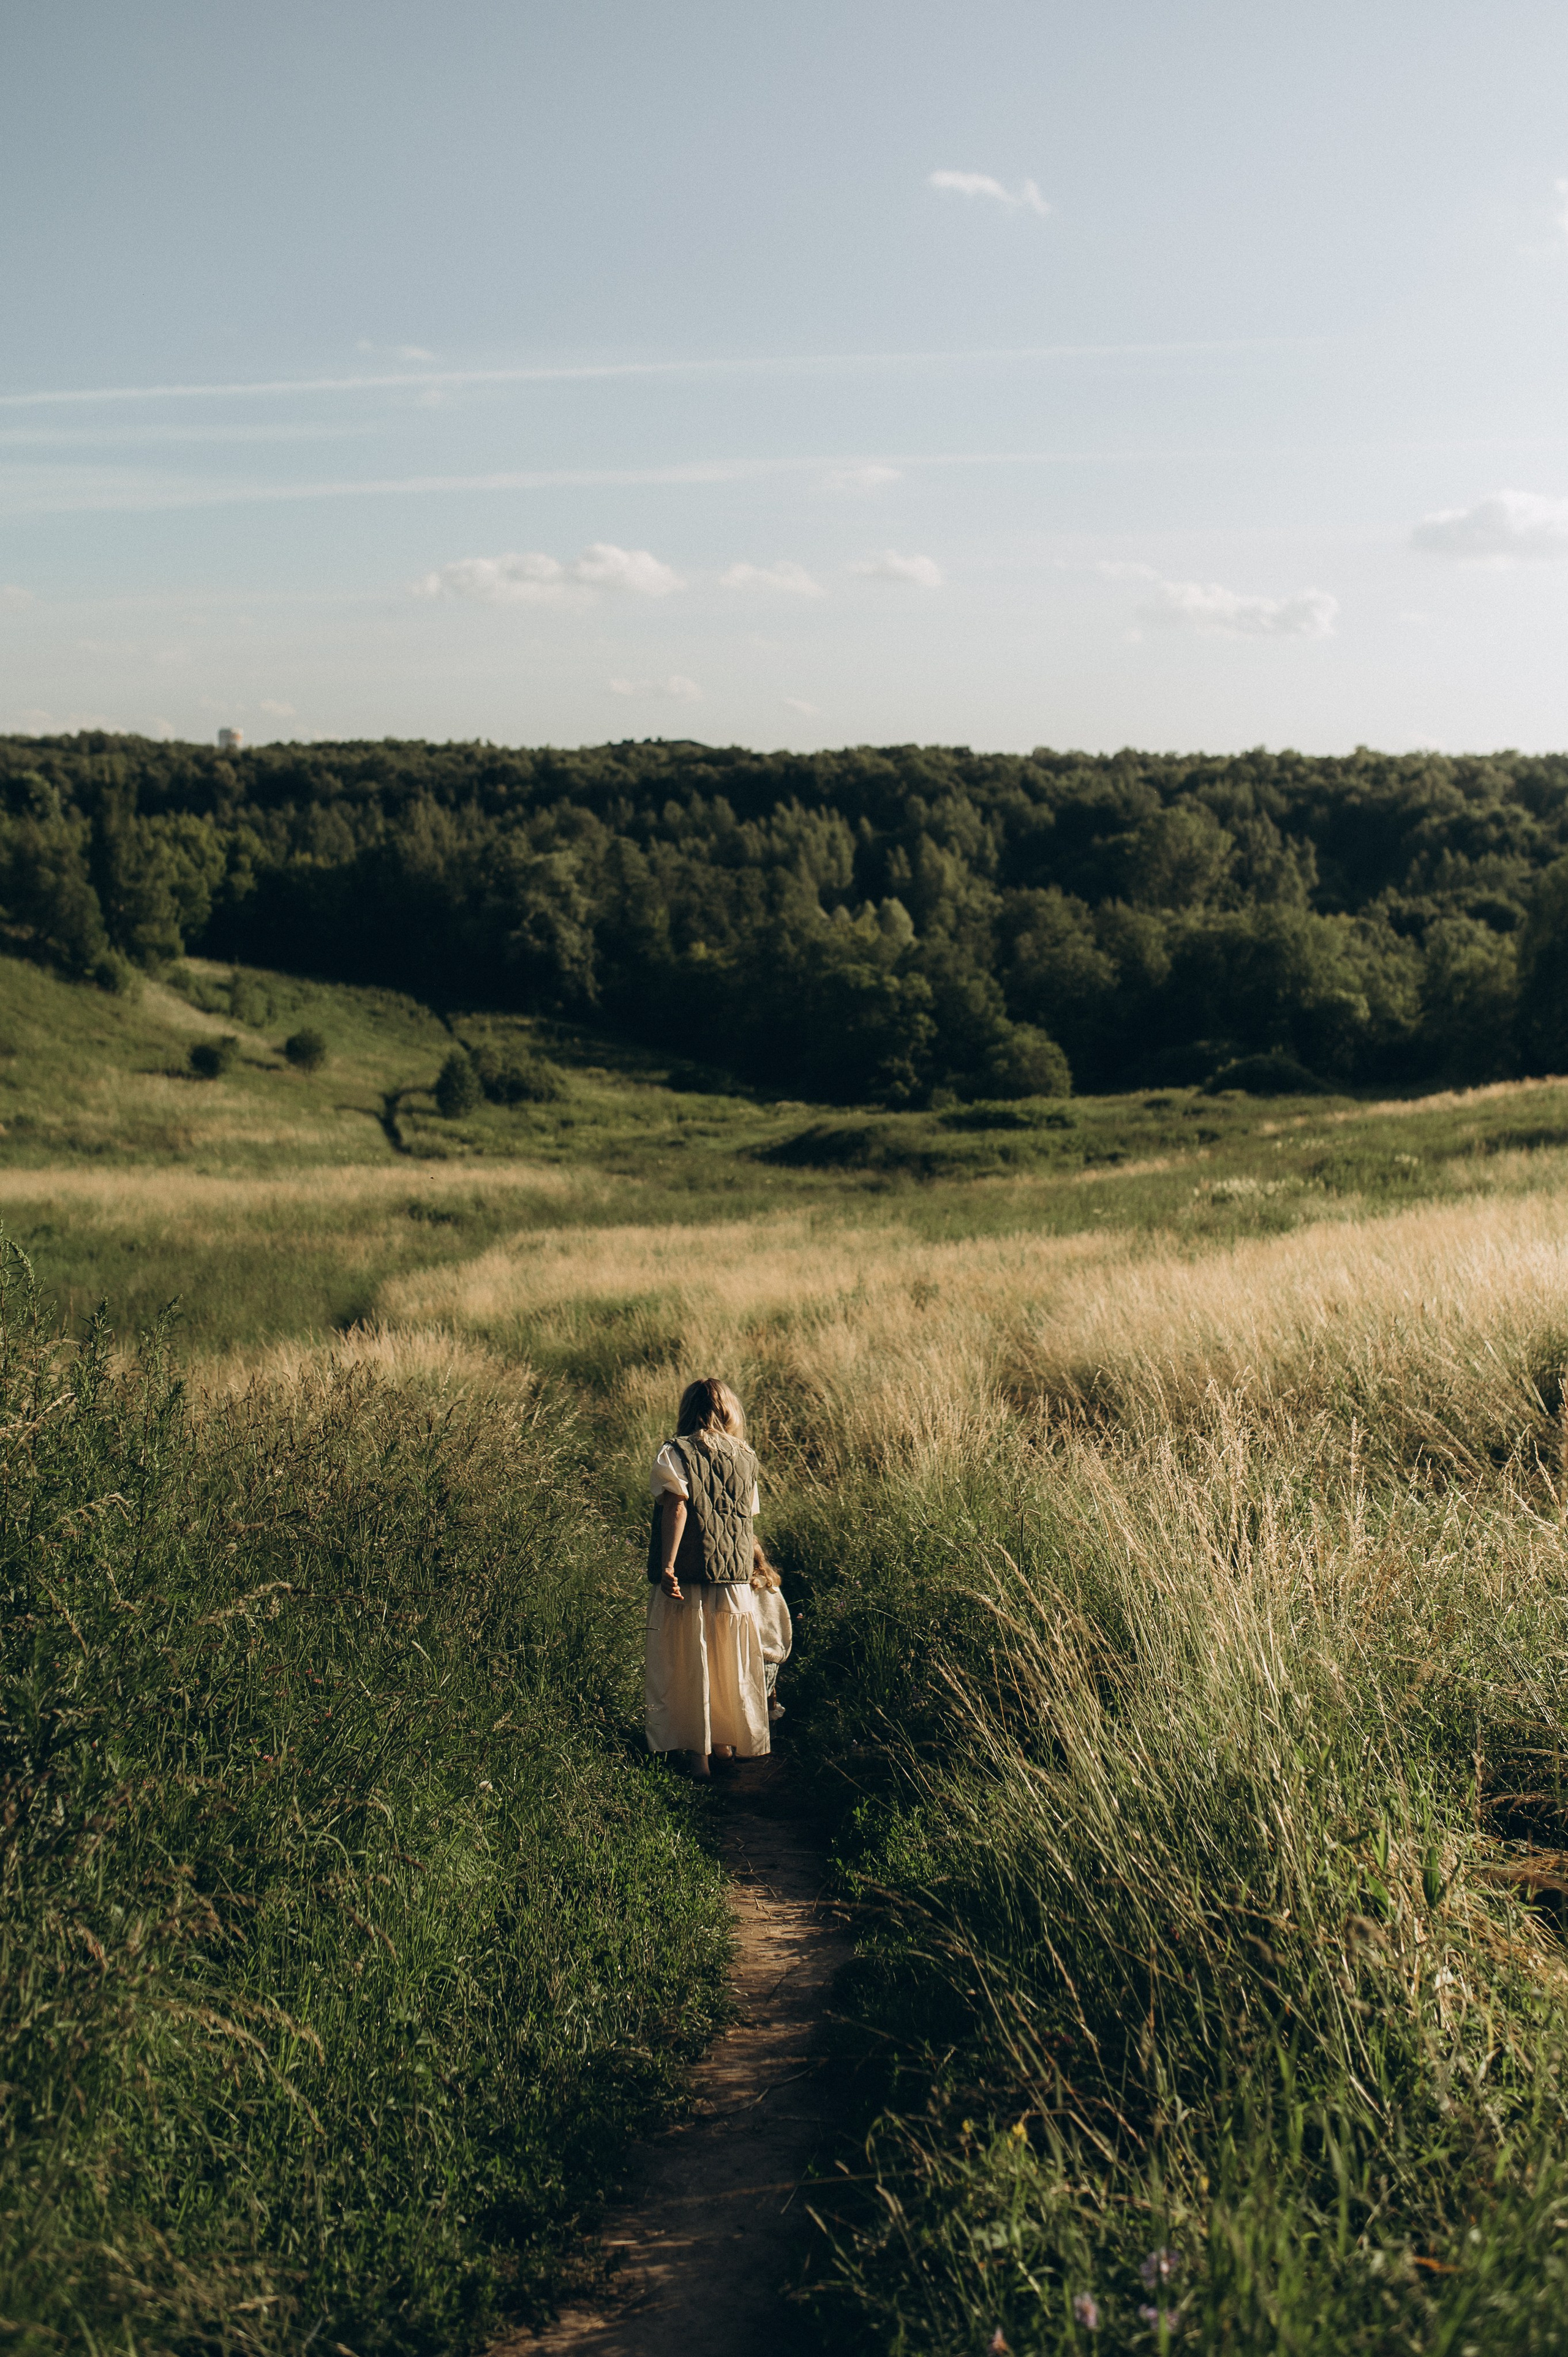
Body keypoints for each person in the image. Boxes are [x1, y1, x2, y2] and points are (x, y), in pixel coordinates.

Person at [644, 1376, 771, 1779]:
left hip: (690, 1576)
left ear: (687, 1410)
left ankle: (697, 1757)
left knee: (690, 1661)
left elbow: (677, 1509)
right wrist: (756, 1567)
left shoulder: (674, 1452)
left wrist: (668, 1565)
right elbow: (745, 1522)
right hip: (733, 1580)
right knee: (727, 1660)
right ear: (728, 1411)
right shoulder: (746, 1455)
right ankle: (726, 1745)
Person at [750, 1537, 793, 1721]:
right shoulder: (771, 1583)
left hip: (756, 1650)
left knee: (753, 1699)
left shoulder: (750, 1585)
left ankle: (757, 1741)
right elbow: (782, 1618)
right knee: (768, 1693)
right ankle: (768, 1736)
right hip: (772, 1650)